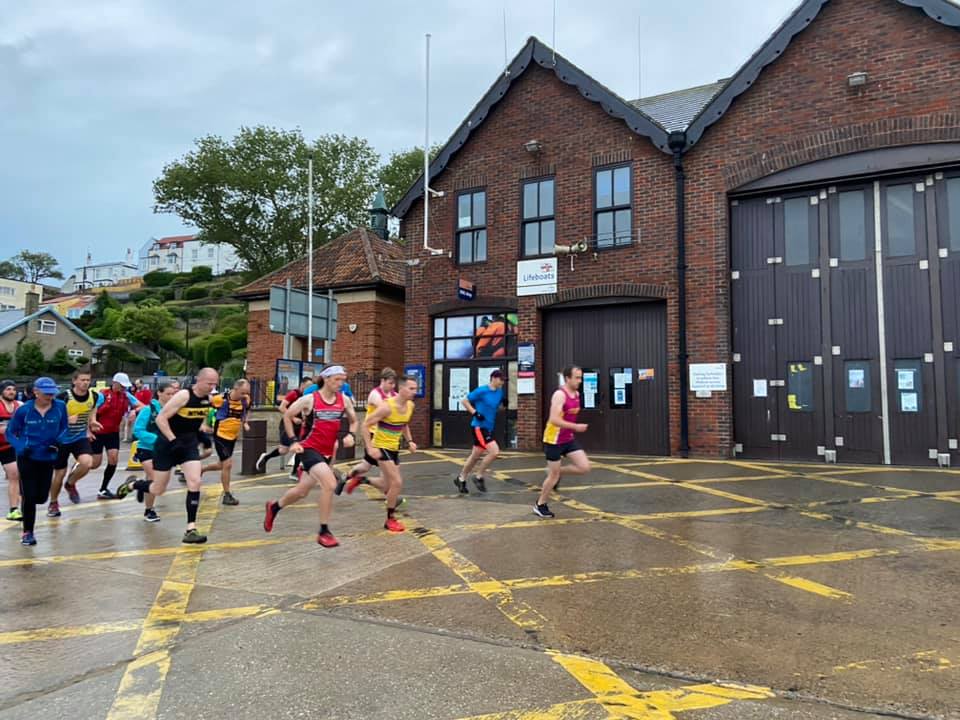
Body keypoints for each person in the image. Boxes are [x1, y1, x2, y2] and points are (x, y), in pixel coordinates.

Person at [118, 368, 218, 544]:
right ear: (199, 381)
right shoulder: (183, 396)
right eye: (209, 383)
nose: (212, 387)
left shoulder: (207, 400)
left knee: (195, 481)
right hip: (166, 445)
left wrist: (204, 439)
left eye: (215, 383)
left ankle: (191, 529)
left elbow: (195, 423)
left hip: (188, 446)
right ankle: (133, 484)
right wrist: (173, 441)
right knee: (159, 489)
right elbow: (161, 419)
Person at [262, 366, 357, 548]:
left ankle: (274, 507)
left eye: (343, 380)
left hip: (327, 451)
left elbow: (354, 421)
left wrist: (351, 435)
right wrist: (293, 441)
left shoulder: (344, 400)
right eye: (337, 379)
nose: (341, 383)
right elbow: (288, 415)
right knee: (330, 484)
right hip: (308, 449)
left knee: (302, 491)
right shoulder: (309, 400)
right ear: (326, 379)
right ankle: (324, 531)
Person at [6, 378, 69, 546]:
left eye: (52, 392)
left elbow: (64, 428)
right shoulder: (24, 411)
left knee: (41, 497)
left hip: (48, 456)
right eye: (46, 393)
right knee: (29, 496)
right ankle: (28, 532)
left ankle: (33, 498)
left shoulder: (60, 407)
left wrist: (58, 442)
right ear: (36, 392)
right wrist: (21, 447)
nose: (50, 396)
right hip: (27, 457)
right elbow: (11, 433)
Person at [357, 374, 418, 533]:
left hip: (394, 448)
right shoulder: (386, 407)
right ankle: (390, 519)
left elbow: (404, 424)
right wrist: (370, 448)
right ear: (401, 389)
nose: (414, 392)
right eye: (411, 389)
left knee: (387, 484)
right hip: (381, 446)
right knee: (397, 482)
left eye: (415, 389)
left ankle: (361, 479)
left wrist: (410, 441)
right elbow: (365, 425)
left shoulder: (410, 406)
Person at [536, 365, 590, 519]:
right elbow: (554, 419)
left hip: (568, 439)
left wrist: (572, 429)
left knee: (584, 467)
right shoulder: (560, 395)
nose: (580, 380)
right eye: (577, 378)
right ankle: (540, 505)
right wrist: (575, 427)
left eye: (581, 377)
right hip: (553, 440)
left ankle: (555, 472)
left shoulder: (577, 394)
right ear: (567, 378)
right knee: (553, 477)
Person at [48, 368, 100, 515]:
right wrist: (66, 420)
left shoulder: (93, 396)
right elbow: (51, 417)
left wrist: (93, 422)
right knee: (59, 474)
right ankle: (53, 503)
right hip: (61, 440)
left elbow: (92, 409)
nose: (85, 383)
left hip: (79, 437)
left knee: (87, 463)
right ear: (74, 381)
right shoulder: (63, 397)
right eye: (82, 380)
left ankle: (70, 484)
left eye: (88, 380)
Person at [339, 367, 397, 496]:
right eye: (390, 383)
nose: (392, 386)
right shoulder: (375, 394)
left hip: (386, 436)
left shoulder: (393, 394)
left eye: (394, 384)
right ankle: (390, 497)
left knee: (366, 465)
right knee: (387, 472)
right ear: (383, 380)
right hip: (374, 436)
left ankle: (347, 477)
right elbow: (387, 409)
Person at [130, 380, 181, 522]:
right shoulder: (148, 410)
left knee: (159, 483)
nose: (171, 397)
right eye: (168, 394)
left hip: (165, 451)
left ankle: (140, 486)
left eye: (173, 394)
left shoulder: (175, 412)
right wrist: (157, 440)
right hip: (146, 448)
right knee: (154, 479)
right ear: (159, 393)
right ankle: (149, 510)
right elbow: (138, 430)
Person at [90, 373, 144, 498]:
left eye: (126, 386)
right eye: (122, 386)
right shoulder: (102, 395)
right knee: (94, 464)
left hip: (113, 433)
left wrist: (134, 411)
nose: (125, 389)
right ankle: (76, 470)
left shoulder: (126, 395)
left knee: (113, 459)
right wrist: (92, 424)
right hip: (98, 432)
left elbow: (141, 405)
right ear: (115, 383)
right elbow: (92, 410)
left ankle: (103, 489)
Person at [454, 369, 505, 494]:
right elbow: (465, 401)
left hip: (489, 427)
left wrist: (503, 406)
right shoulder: (481, 391)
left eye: (504, 380)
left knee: (475, 456)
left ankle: (461, 478)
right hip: (479, 427)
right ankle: (478, 476)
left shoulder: (499, 392)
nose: (503, 382)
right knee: (494, 452)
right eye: (501, 379)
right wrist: (475, 413)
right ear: (493, 378)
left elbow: (496, 407)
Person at [201, 379, 251, 505]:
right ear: (235, 388)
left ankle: (202, 469)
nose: (245, 395)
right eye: (243, 392)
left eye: (247, 392)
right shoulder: (220, 399)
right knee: (227, 464)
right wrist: (204, 424)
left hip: (233, 436)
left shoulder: (245, 400)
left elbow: (246, 411)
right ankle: (227, 495)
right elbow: (204, 408)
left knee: (221, 465)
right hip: (220, 435)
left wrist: (245, 423)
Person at [255, 375, 313, 478]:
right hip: (288, 424)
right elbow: (281, 407)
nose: (309, 389)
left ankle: (294, 472)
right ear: (302, 384)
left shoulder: (307, 397)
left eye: (311, 387)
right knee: (283, 450)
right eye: (308, 386)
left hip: (300, 426)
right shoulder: (293, 394)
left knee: (300, 447)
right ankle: (266, 457)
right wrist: (294, 418)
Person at [1, 380, 23, 521]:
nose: (11, 392)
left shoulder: (19, 406)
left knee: (15, 475)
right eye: (8, 389)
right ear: (2, 391)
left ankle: (14, 510)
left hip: (8, 447)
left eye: (13, 389)